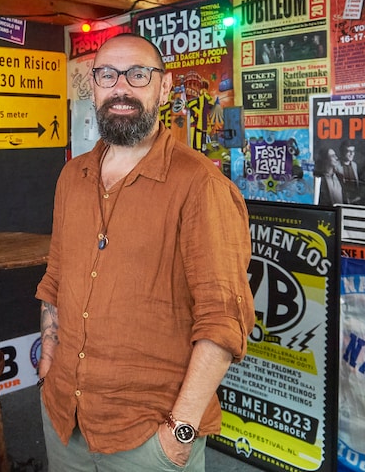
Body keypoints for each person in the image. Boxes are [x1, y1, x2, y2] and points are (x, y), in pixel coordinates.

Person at [35, 34, 255, 471]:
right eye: (107, 75)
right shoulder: (71, 177)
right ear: (94, 86)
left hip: (150, 435)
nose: (121, 88)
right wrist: (48, 364)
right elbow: (56, 278)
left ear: (164, 87)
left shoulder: (201, 186)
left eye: (138, 74)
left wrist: (180, 432)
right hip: (64, 418)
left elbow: (223, 320)